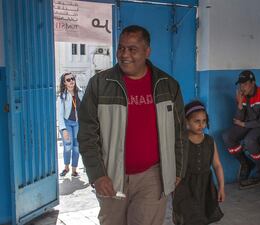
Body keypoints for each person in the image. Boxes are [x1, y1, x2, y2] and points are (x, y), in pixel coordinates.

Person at [77, 25, 187, 225]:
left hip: (153, 177)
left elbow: (180, 133)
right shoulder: (100, 84)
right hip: (110, 175)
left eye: (132, 49)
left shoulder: (168, 85)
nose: (124, 54)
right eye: (121, 48)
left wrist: (178, 170)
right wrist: (97, 175)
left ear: (147, 51)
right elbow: (87, 135)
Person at [222, 70, 260, 186]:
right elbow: (238, 119)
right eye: (241, 84)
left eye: (245, 84)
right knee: (227, 136)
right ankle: (246, 163)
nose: (242, 87)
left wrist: (244, 125)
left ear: (253, 83)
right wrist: (240, 105)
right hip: (250, 125)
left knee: (250, 140)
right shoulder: (243, 97)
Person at [173, 100, 225, 225]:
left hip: (205, 187)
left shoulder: (209, 141)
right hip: (185, 186)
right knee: (188, 218)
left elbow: (217, 165)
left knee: (202, 218)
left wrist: (221, 187)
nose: (201, 125)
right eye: (197, 121)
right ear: (186, 122)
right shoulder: (181, 142)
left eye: (204, 121)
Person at [57, 72, 84, 177]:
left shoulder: (80, 92)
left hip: (77, 123)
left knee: (76, 146)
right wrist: (63, 130)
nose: (71, 81)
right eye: (68, 80)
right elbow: (60, 115)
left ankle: (74, 170)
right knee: (68, 146)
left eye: (72, 78)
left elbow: (85, 108)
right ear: (64, 83)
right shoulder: (62, 96)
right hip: (67, 123)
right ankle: (66, 167)